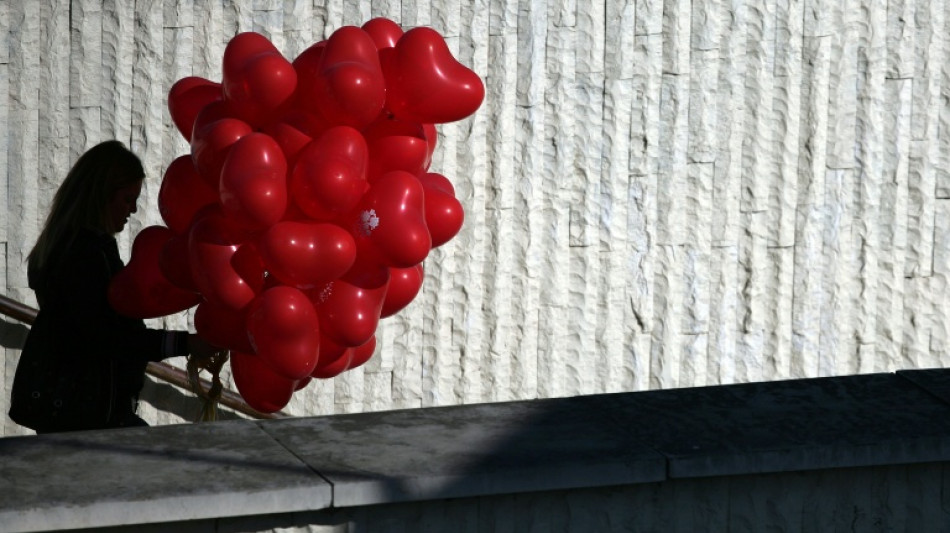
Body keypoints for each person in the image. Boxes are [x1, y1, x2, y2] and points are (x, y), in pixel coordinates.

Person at [9, 140, 219, 433]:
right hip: (85, 415)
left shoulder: (71, 247)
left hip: (77, 410)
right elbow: (110, 338)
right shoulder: (86, 255)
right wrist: (186, 343)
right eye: (128, 199)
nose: (133, 209)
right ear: (101, 195)